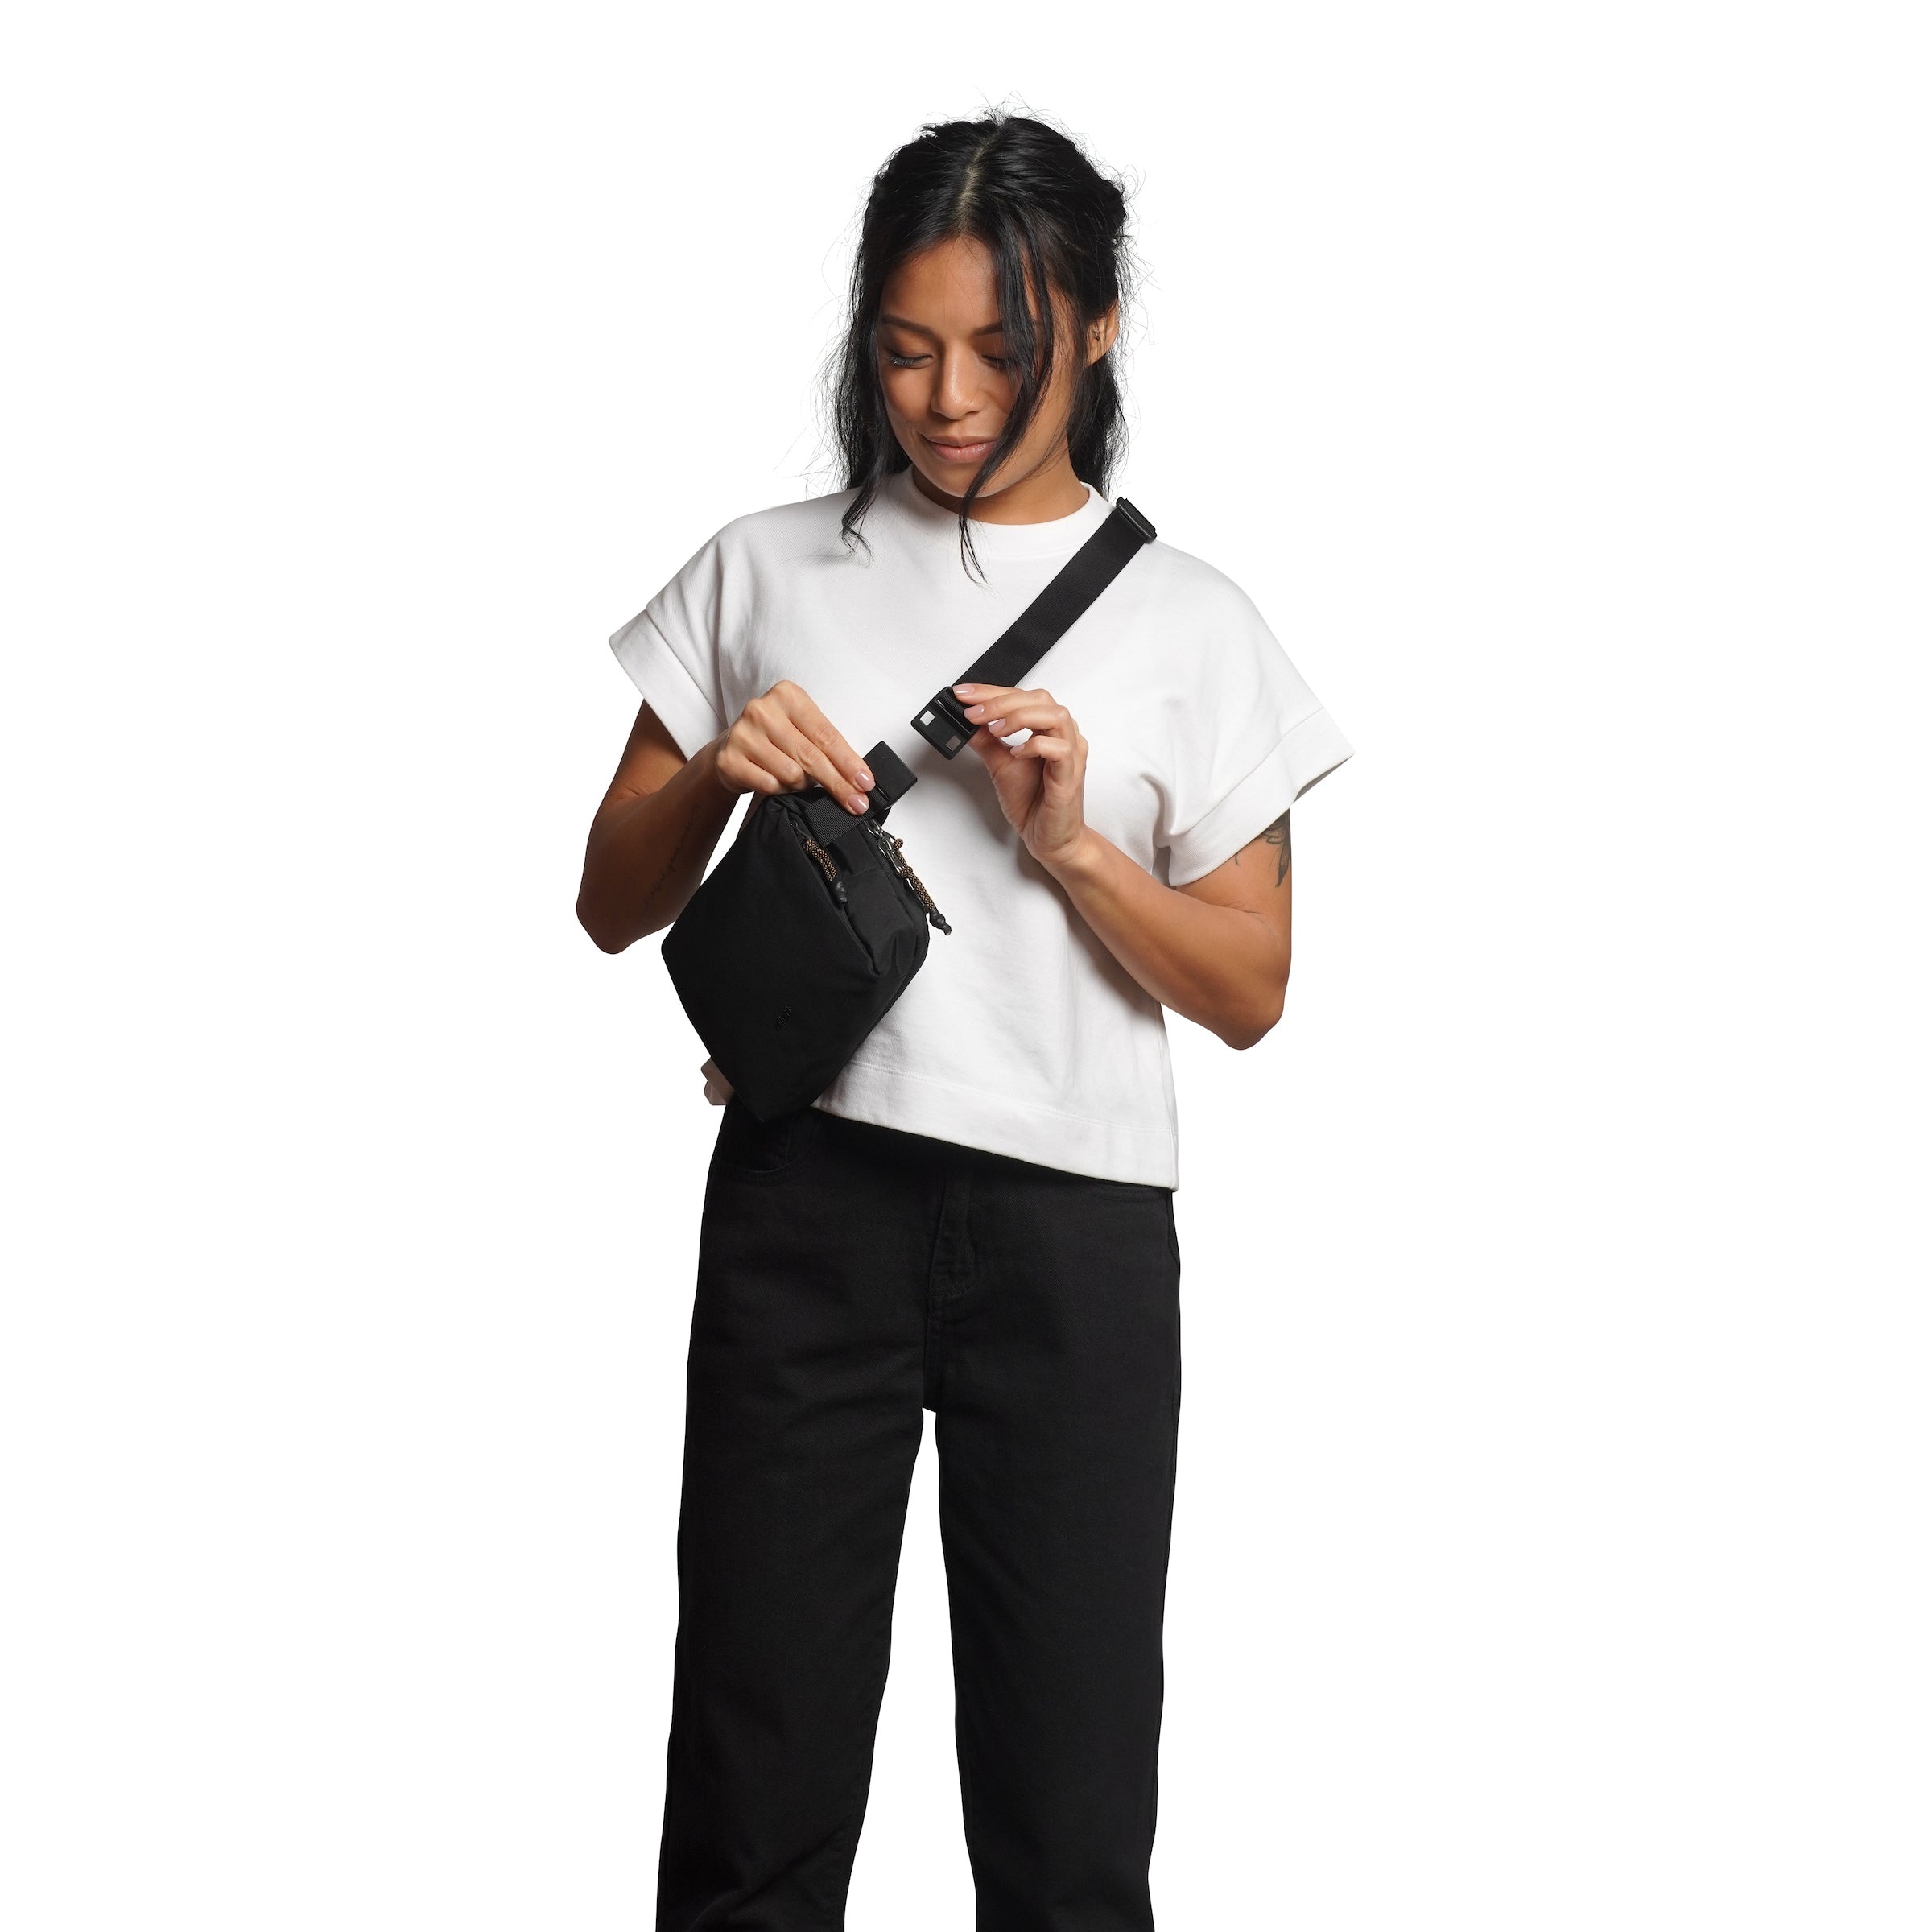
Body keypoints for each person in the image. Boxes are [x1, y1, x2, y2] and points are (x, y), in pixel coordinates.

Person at [577, 110, 1352, 1932]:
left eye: (1001, 349)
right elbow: (610, 899)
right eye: (906, 347)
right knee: (752, 1802)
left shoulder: (1197, 625)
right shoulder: (763, 567)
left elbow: (1251, 991)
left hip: (1076, 1239)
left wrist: (1073, 849)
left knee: (1069, 1826)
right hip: (806, 1210)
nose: (945, 398)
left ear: (1097, 325)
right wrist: (719, 774)